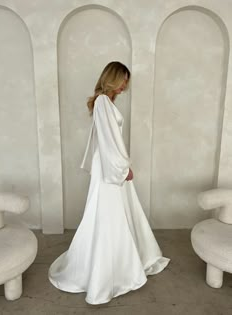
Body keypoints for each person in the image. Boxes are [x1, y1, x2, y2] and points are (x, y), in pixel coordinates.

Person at [48, 61, 170, 305]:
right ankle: (106, 274)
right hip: (110, 169)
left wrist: (121, 167)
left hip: (109, 167)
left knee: (114, 213)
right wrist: (123, 169)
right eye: (123, 79)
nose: (126, 84)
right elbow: (109, 141)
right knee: (107, 215)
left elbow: (108, 141)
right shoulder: (104, 102)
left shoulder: (106, 103)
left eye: (127, 80)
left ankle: (121, 264)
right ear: (113, 78)